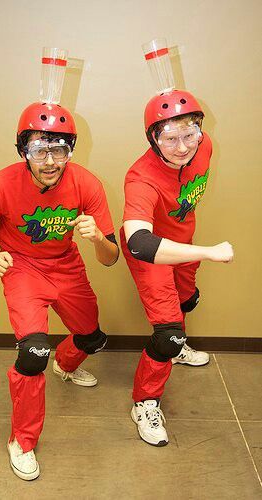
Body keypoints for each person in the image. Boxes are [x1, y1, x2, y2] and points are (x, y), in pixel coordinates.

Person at [0, 101, 119, 480]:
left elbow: (110, 258)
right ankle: (22, 440)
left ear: (70, 149)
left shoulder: (87, 183)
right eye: (39, 150)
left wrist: (98, 238)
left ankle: (65, 365)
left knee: (92, 338)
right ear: (24, 151)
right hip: (21, 268)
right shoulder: (2, 183)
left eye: (59, 150)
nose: (50, 161)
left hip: (66, 265)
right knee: (33, 353)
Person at [120, 89, 234, 447]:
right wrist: (209, 252)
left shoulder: (205, 146)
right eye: (170, 138)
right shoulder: (141, 178)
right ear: (154, 138)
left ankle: (179, 344)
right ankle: (145, 402)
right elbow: (139, 242)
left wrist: (194, 252)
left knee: (187, 301)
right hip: (151, 251)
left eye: (190, 135)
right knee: (166, 334)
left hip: (182, 244)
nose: (183, 147)